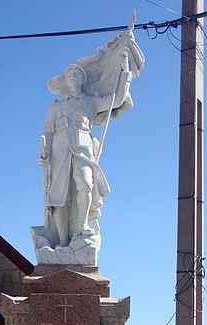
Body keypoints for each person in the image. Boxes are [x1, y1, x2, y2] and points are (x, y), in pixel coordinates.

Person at [35, 27, 144, 254]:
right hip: (60, 151)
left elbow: (117, 99)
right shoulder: (58, 107)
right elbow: (47, 132)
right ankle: (62, 243)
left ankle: (82, 228)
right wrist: (43, 148)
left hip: (83, 150)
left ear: (83, 81)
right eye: (70, 75)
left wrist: (124, 73)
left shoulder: (91, 103)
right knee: (59, 198)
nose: (73, 77)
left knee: (85, 185)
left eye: (77, 74)